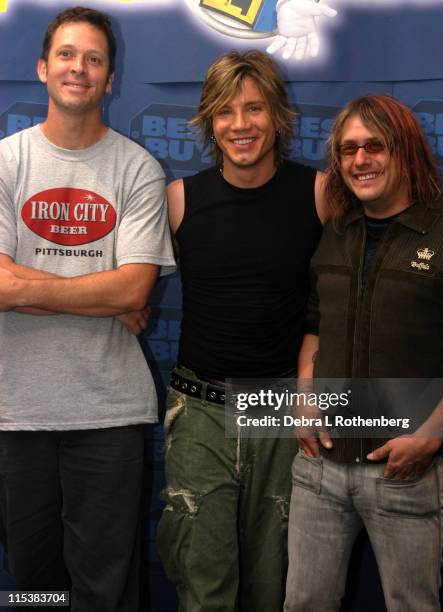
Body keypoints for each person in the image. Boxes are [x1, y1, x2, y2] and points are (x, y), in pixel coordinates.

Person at [0, 6, 175, 611]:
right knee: (35, 588)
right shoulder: (4, 163)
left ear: (110, 77)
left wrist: (26, 285)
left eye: (94, 58)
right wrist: (97, 296)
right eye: (68, 55)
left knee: (107, 590)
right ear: (43, 68)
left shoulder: (138, 170)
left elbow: (132, 293)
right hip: (15, 412)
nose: (80, 68)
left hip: (108, 413)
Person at [284, 94, 443, 611]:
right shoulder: (335, 232)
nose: (360, 160)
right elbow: (314, 327)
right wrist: (304, 398)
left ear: (405, 150)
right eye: (348, 150)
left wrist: (429, 438)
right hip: (318, 469)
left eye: (375, 146)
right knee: (302, 604)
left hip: (405, 473)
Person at [157, 50, 327, 611]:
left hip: (279, 411)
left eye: (254, 109)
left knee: (272, 585)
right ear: (209, 121)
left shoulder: (320, 194)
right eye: (225, 112)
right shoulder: (180, 201)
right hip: (199, 411)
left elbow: (340, 305)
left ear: (277, 115)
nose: (240, 125)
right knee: (203, 589)